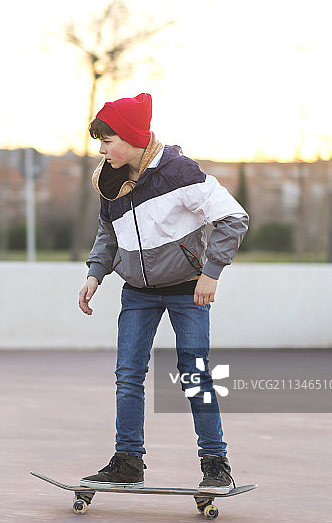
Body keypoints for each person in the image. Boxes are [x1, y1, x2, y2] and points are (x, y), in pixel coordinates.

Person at [76, 93, 248, 494]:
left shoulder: (178, 171)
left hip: (188, 289)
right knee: (128, 375)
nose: (102, 150)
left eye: (109, 140)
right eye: (99, 142)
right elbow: (108, 233)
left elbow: (233, 218)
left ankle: (215, 462)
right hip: (137, 291)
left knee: (194, 373)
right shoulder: (110, 180)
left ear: (134, 136)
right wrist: (95, 274)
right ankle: (127, 461)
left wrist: (212, 273)